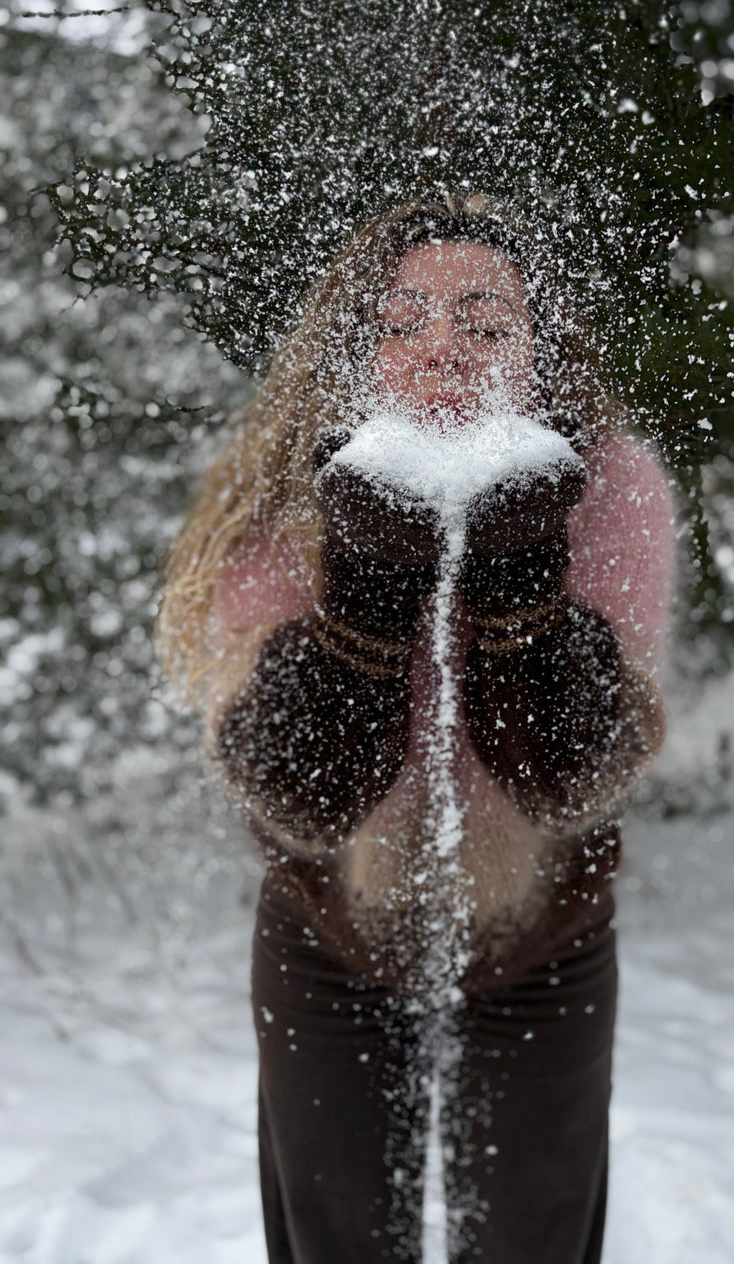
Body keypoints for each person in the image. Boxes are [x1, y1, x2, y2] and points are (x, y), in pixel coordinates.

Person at [157, 193, 676, 1264]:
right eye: (401, 322)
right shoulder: (279, 499)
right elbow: (297, 795)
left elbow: (574, 784)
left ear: (540, 352)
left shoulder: (613, 491)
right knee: (334, 1241)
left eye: (487, 324)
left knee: (535, 1242)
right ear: (353, 346)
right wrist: (361, 602)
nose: (444, 349)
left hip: (546, 932)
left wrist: (522, 588)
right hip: (327, 927)